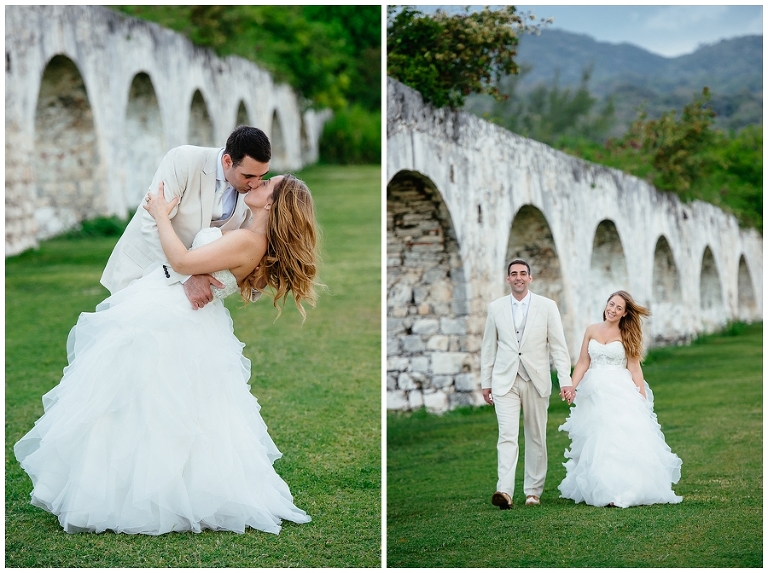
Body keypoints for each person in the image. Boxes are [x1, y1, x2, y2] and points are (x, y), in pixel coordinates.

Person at [14, 173, 319, 535]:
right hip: (178, 310)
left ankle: (146, 497)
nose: (260, 182)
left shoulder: (250, 240)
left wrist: (160, 213)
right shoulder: (244, 229)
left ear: (272, 202)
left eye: (268, 184)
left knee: (159, 404)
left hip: (176, 317)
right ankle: (130, 488)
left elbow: (182, 261)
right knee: (141, 401)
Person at [101, 125, 272, 309]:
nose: (255, 184)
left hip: (195, 298)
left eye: (262, 176)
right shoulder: (184, 160)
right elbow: (152, 222)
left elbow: (243, 244)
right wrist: (186, 277)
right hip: (145, 271)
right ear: (227, 161)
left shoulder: (254, 196)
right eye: (248, 176)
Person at [558, 290, 683, 508]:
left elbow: (634, 370)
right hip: (593, 392)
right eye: (611, 304)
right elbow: (582, 362)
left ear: (625, 314)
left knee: (617, 439)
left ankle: (622, 490)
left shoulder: (627, 335)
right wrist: (571, 386)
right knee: (596, 439)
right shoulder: (591, 330)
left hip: (619, 390)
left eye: (618, 308)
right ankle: (599, 486)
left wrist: (642, 398)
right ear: (606, 304)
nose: (612, 310)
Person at [481, 259, 573, 509]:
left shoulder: (547, 306)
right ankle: (505, 491)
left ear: (530, 278)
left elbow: (558, 347)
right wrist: (485, 382)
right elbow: (489, 347)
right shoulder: (496, 308)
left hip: (537, 379)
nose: (518, 277)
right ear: (508, 279)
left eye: (523, 273)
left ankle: (533, 491)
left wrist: (566, 380)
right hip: (504, 381)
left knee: (536, 436)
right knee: (507, 436)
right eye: (514, 274)